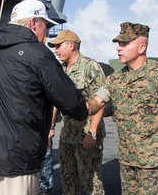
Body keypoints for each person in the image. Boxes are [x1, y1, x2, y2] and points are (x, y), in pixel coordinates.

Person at [0, 0, 88, 195]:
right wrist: (84, 110)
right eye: (44, 25)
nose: (45, 32)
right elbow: (70, 101)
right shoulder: (37, 54)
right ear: (33, 23)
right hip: (19, 158)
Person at [89, 22, 158, 194]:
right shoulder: (114, 79)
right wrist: (80, 106)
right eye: (118, 44)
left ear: (141, 47)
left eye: (125, 44)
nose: (119, 48)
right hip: (127, 160)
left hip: (154, 161)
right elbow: (97, 102)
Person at [48, 30, 105, 194]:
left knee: (91, 183)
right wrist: (51, 127)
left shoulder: (90, 67)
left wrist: (92, 132)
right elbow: (55, 102)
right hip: (67, 136)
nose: (56, 50)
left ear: (71, 45)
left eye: (59, 46)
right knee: (68, 180)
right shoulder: (62, 69)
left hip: (86, 136)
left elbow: (100, 101)